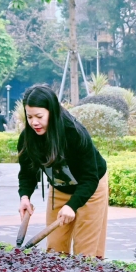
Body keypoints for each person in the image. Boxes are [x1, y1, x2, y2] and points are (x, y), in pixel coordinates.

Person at [17, 85, 109, 258]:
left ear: (51, 112)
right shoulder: (28, 138)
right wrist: (25, 197)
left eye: (39, 116)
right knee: (55, 249)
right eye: (29, 117)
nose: (34, 122)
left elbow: (90, 177)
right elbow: (27, 172)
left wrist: (72, 205)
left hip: (90, 188)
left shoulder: (74, 133)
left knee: (85, 251)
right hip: (60, 188)